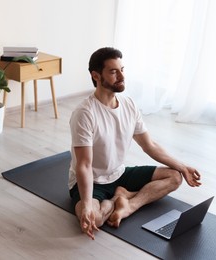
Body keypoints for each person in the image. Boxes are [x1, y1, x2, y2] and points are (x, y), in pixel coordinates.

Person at [68, 47, 202, 240]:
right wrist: (88, 205)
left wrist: (182, 167)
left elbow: (149, 145)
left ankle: (128, 206)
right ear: (96, 75)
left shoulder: (128, 104)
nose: (122, 76)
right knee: (94, 219)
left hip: (119, 173)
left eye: (122, 69)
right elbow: (84, 165)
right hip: (92, 181)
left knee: (175, 176)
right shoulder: (85, 113)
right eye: (114, 71)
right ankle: (118, 199)